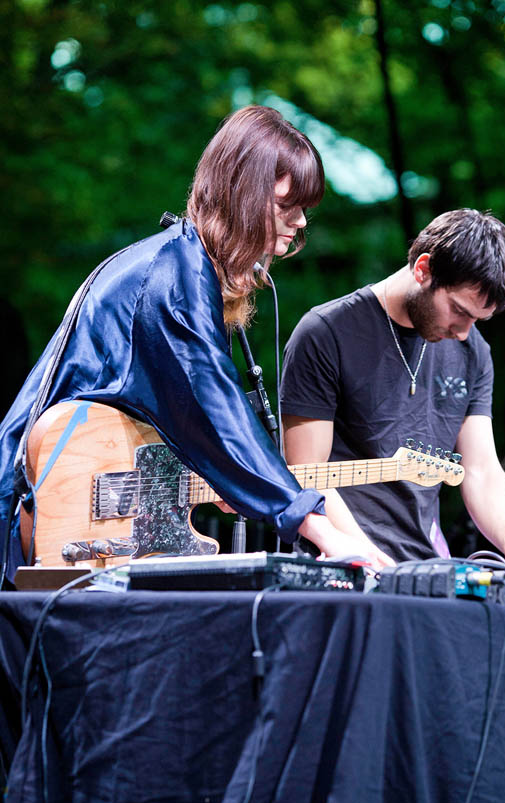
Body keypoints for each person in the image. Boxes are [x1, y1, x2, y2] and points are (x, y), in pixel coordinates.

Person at [0, 105, 394, 586]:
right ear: (241, 194)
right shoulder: (172, 279)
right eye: (286, 207)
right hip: (43, 508)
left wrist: (227, 477)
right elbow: (215, 409)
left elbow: (175, 415)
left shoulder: (184, 269)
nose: (299, 224)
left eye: (304, 211)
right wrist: (320, 531)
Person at [281, 208, 505, 576]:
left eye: (477, 320)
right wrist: (365, 556)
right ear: (423, 269)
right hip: (338, 563)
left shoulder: (474, 353)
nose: (464, 332)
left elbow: (481, 468)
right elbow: (306, 471)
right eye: (458, 310)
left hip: (424, 566)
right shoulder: (325, 332)